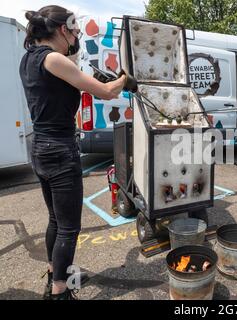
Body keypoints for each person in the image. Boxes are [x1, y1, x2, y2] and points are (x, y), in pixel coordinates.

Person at [19, 5, 136, 300]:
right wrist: (125, 78)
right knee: (69, 227)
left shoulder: (29, 59)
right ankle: (59, 290)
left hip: (40, 146)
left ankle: (53, 272)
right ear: (62, 30)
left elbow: (65, 79)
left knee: (55, 220)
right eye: (74, 32)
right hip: (59, 149)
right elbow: (106, 92)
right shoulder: (55, 59)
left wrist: (75, 51)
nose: (76, 37)